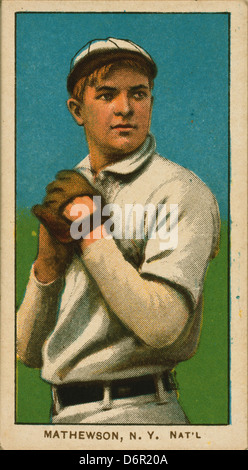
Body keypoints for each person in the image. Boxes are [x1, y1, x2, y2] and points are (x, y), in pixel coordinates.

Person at [17, 38, 220, 424]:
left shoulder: (178, 190)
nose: (125, 108)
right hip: (62, 417)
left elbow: (162, 326)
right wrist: (46, 269)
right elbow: (25, 352)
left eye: (138, 94)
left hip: (139, 409)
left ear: (151, 103)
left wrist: (91, 233)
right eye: (107, 95)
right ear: (77, 110)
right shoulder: (71, 186)